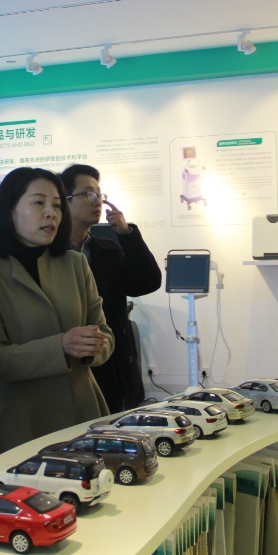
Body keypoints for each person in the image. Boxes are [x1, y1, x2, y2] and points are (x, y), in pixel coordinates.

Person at [0, 167, 114, 467]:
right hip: (19, 424)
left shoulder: (75, 264)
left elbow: (105, 334)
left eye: (57, 205)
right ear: (9, 211)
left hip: (81, 414)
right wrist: (61, 346)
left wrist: (93, 348)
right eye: (38, 203)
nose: (51, 213)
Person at [61, 164, 162, 412]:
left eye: (99, 194)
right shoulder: (50, 255)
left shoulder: (107, 250)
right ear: (65, 200)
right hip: (70, 364)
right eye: (89, 194)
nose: (98, 201)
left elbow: (146, 282)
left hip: (111, 360)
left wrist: (127, 234)